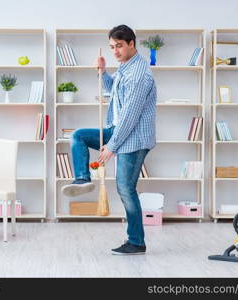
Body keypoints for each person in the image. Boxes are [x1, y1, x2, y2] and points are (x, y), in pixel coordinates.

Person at [61, 24, 157, 255]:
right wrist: (103, 72)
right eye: (112, 47)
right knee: (79, 135)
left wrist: (111, 147)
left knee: (125, 189)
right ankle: (82, 179)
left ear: (132, 43)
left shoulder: (140, 74)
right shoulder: (126, 67)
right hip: (118, 129)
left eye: (119, 46)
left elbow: (131, 116)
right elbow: (113, 90)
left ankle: (136, 242)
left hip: (133, 138)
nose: (115, 51)